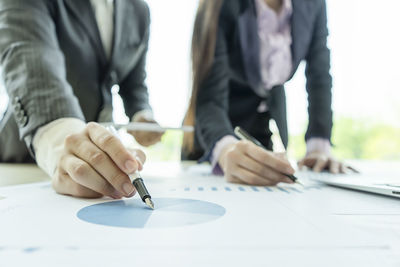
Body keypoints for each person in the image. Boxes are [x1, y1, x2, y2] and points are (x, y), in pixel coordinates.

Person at [0, 0, 163, 198]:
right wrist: (61, 139)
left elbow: (133, 82)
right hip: (24, 161)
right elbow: (30, 57)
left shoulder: (139, 10)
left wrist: (141, 115)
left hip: (97, 165)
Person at [183, 0, 350, 186]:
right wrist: (225, 148)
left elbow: (319, 76)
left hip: (262, 131)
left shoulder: (314, 4)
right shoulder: (221, 4)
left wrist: (318, 148)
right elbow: (210, 97)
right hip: (215, 132)